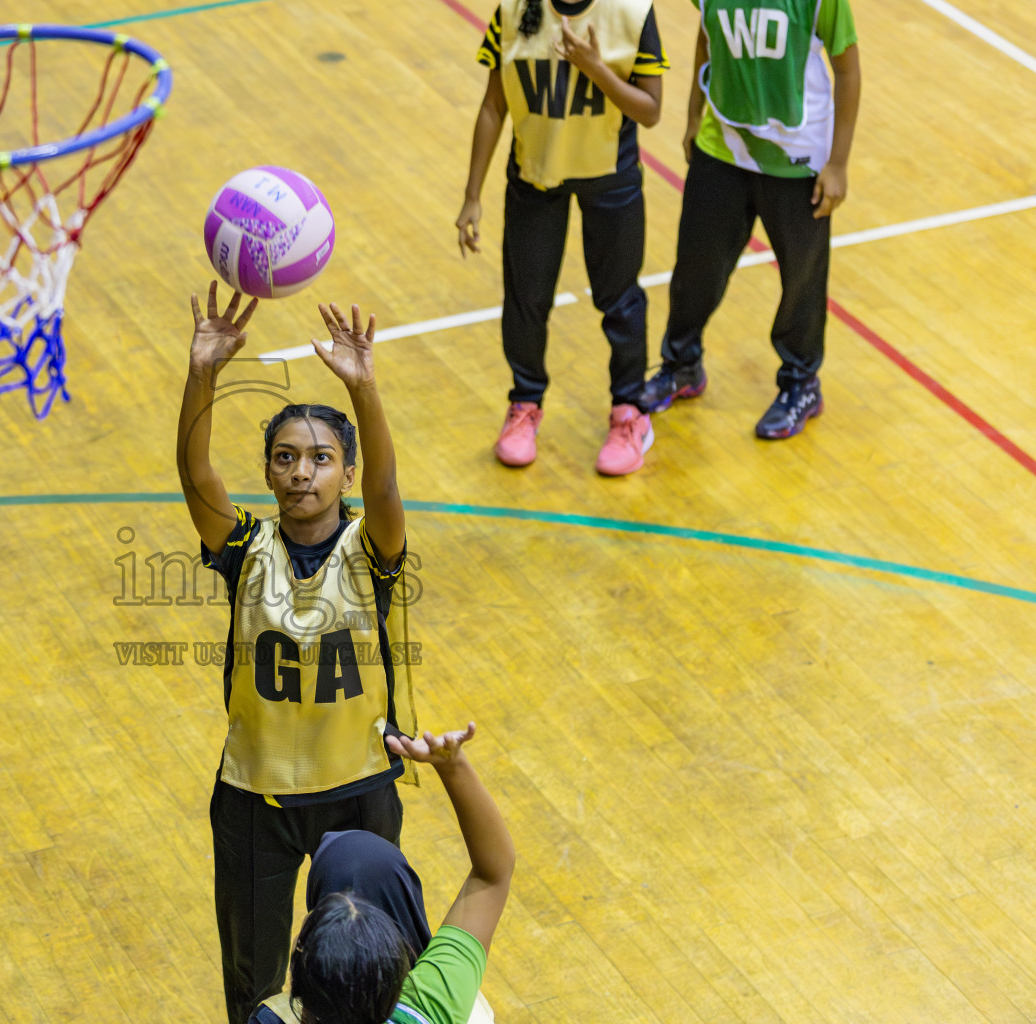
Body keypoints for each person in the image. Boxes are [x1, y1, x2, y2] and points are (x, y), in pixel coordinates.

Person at [177, 283, 417, 1024]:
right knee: (253, 989)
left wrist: (364, 389)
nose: (301, 472)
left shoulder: (370, 547)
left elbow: (384, 483)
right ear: (270, 471)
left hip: (359, 786)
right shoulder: (244, 547)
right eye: (285, 458)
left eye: (320, 458)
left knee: (373, 974)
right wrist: (203, 373)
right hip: (256, 794)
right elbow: (195, 476)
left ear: (343, 474)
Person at [458, 0, 669, 476]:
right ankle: (525, 404)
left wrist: (596, 69)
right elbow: (494, 106)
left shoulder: (632, 13)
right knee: (527, 299)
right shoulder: (512, 12)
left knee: (620, 301)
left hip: (611, 177)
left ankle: (629, 412)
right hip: (536, 175)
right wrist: (472, 195)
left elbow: (652, 111)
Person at [643, 0, 861, 438]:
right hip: (721, 149)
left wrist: (837, 163)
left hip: (798, 162)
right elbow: (707, 39)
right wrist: (692, 116)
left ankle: (801, 382)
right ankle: (681, 365)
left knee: (802, 280)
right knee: (695, 270)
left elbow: (848, 71)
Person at [248, 723, 515, 1024]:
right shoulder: (430, 1004)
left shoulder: (269, 1020)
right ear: (397, 984)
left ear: (302, 1001)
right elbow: (492, 876)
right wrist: (452, 766)